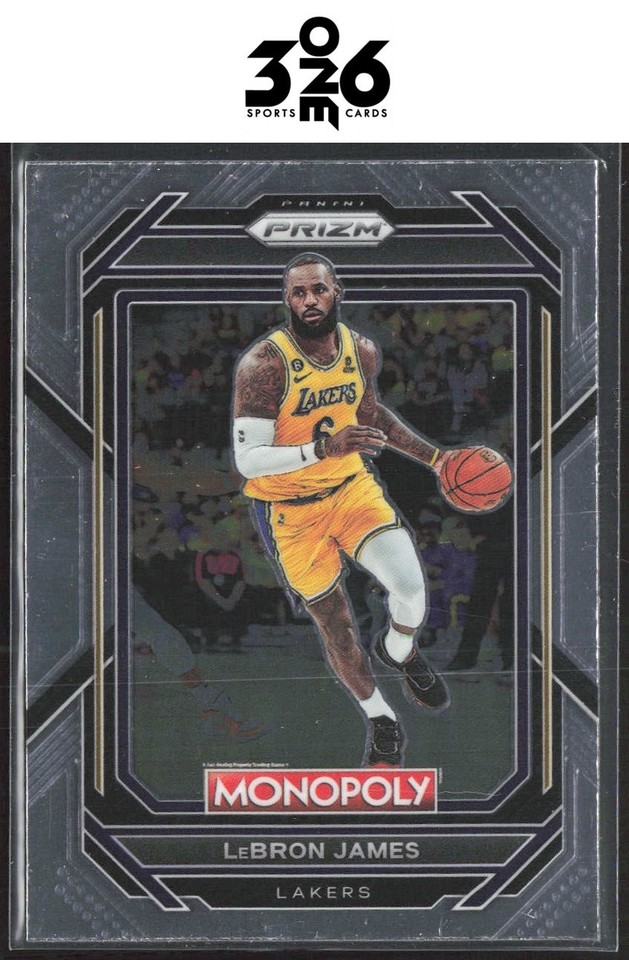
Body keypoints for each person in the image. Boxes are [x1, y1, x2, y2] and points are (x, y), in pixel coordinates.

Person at [231, 253, 455, 768]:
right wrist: (322, 448)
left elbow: (372, 417)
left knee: (411, 589)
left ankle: (399, 651)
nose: (309, 300)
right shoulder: (263, 365)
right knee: (337, 625)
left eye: (318, 289)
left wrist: (437, 459)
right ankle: (382, 718)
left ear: (337, 292)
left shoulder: (361, 350)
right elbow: (248, 460)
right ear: (287, 300)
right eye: (298, 293)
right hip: (289, 511)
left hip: (351, 490)